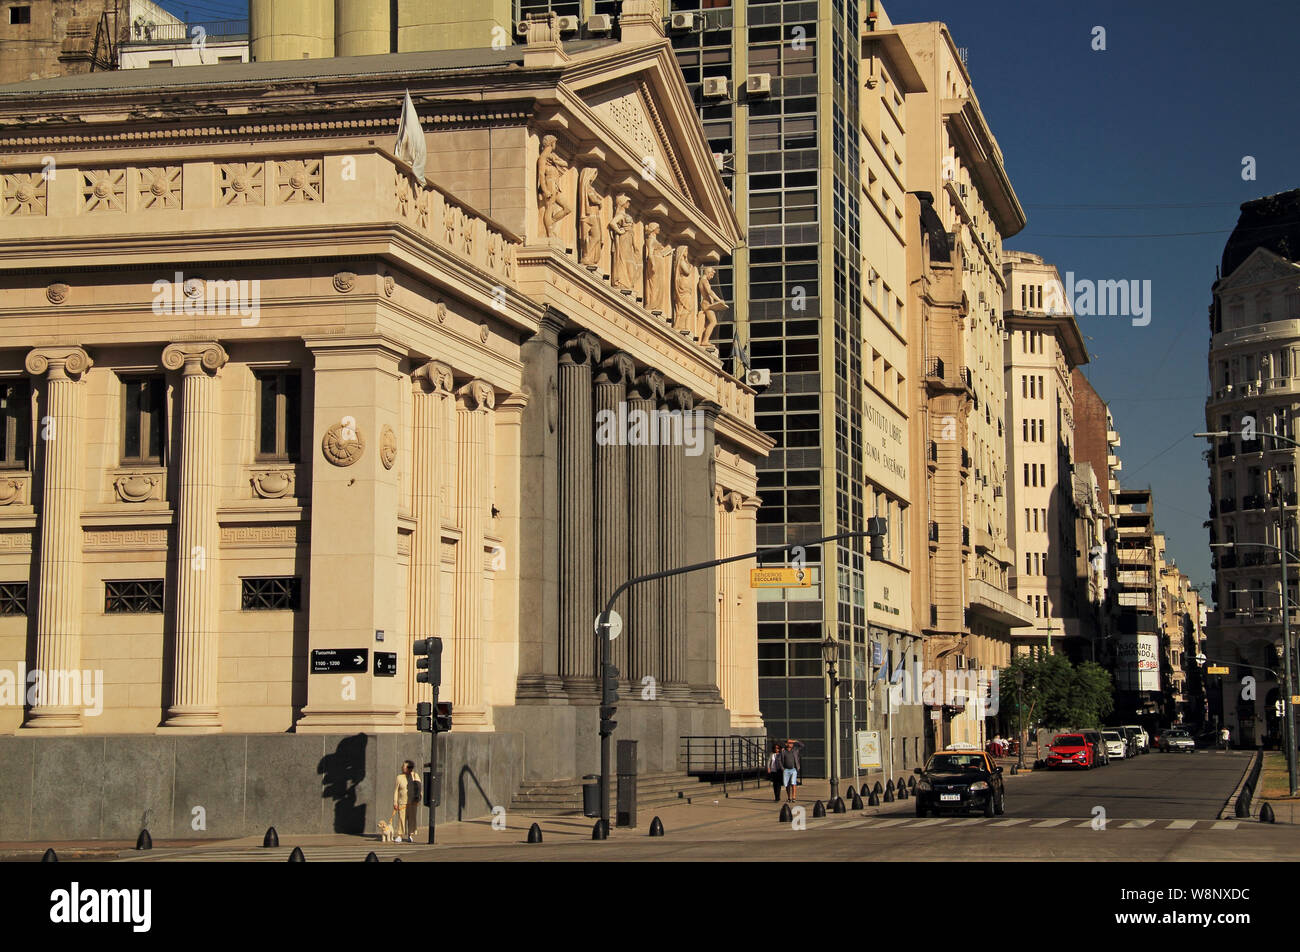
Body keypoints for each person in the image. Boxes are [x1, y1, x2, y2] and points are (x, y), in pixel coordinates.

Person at [394, 760, 420, 843]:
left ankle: (410, 835)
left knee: (412, 819)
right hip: (402, 801)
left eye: (404, 766)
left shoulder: (415, 776)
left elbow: (419, 788)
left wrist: (418, 798)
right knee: (401, 819)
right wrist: (395, 802)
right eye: (403, 766)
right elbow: (396, 790)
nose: (402, 767)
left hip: (413, 802)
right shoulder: (399, 777)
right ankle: (399, 835)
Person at [781, 738, 804, 803]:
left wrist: (795, 741)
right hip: (786, 770)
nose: (791, 744)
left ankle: (794, 797)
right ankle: (789, 797)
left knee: (793, 783)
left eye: (792, 743)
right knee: (787, 784)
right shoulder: (783, 751)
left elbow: (802, 745)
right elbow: (780, 760)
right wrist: (782, 768)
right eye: (789, 743)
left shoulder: (795, 750)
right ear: (786, 744)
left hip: (793, 769)